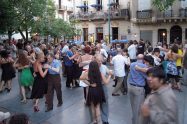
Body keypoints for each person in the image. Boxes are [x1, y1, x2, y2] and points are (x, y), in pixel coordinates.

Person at [128, 54, 147, 124]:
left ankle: (134, 120)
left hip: (130, 87)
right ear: (143, 59)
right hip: (138, 88)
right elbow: (147, 77)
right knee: (137, 109)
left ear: (137, 58)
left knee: (133, 107)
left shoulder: (132, 64)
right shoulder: (144, 66)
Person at [95, 54, 113, 124]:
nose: (99, 62)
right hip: (95, 88)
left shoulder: (104, 67)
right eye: (98, 61)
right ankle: (96, 120)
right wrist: (90, 84)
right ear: (95, 60)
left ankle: (105, 120)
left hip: (103, 87)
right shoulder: (92, 67)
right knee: (96, 105)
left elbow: (109, 72)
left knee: (104, 103)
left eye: (100, 61)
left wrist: (110, 73)